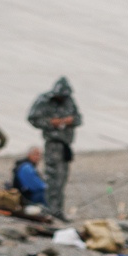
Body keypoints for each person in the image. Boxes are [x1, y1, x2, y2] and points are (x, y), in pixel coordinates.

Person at [27, 77, 81, 217]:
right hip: (53, 143)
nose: (62, 99)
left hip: (66, 145)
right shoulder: (45, 100)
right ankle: (49, 208)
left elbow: (79, 119)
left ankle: (58, 210)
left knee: (62, 178)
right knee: (52, 177)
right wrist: (51, 123)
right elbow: (33, 118)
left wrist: (70, 121)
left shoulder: (69, 101)